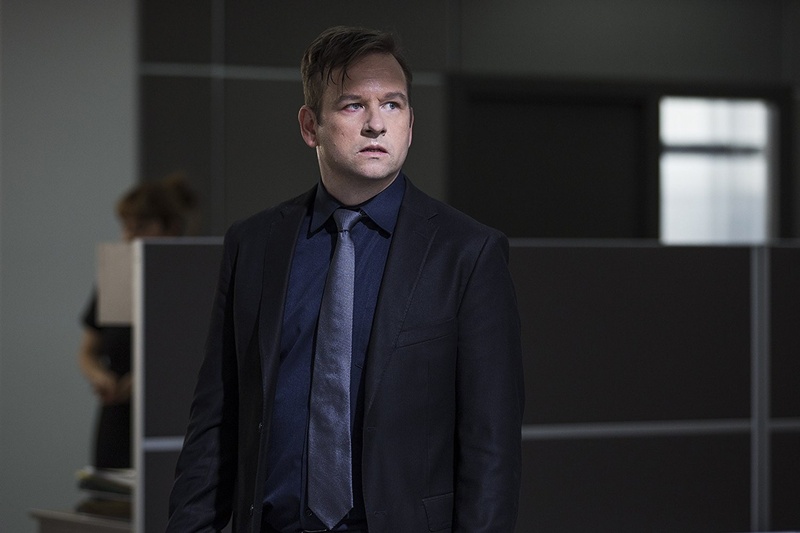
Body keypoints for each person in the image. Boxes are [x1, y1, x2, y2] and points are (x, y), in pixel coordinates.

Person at [167, 26, 524, 533]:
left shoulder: (467, 252)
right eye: (354, 105)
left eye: (393, 105)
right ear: (309, 125)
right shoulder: (256, 244)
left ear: (410, 124)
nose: (376, 124)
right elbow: (216, 417)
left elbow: (491, 446)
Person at [78, 172, 198, 469]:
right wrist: (99, 376)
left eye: (140, 227)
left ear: (170, 227)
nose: (128, 237)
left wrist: (148, 379)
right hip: (118, 418)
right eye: (126, 227)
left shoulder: (193, 283)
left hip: (170, 420)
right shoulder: (117, 280)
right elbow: (88, 351)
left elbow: (192, 356)